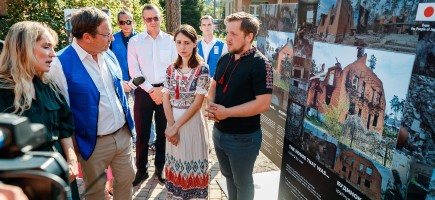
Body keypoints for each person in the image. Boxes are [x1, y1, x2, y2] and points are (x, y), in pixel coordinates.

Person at [49, 7, 136, 200]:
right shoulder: (60, 64)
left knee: (127, 179)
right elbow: (62, 112)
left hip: (122, 135)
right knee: (96, 193)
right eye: (106, 35)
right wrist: (73, 148)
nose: (112, 38)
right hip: (92, 144)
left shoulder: (108, 54)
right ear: (87, 37)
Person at [0, 21, 80, 200]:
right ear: (23, 49)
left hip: (58, 170)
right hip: (22, 182)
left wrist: (72, 160)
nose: (53, 54)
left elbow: (64, 125)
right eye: (46, 47)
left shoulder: (47, 84)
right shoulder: (2, 91)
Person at [205, 12, 273, 200]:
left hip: (244, 139)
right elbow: (213, 85)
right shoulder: (225, 58)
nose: (227, 38)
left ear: (249, 36)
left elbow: (264, 104)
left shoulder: (261, 64)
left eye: (233, 34)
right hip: (219, 134)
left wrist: (227, 112)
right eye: (227, 33)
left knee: (242, 183)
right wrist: (211, 105)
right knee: (228, 177)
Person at [128, 4, 177, 186]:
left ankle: (160, 167)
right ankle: (141, 170)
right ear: (143, 20)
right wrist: (151, 90)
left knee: (164, 131)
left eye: (156, 18)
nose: (153, 21)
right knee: (142, 133)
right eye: (149, 18)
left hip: (165, 91)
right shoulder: (135, 42)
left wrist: (162, 90)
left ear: (161, 18)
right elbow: (134, 70)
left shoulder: (170, 41)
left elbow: (175, 67)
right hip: (143, 92)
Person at [162, 24, 210, 199]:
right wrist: (171, 126)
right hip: (172, 120)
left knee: (191, 160)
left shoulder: (202, 69)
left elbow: (198, 103)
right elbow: (166, 98)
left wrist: (175, 127)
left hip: (191, 123)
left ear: (195, 43)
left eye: (187, 43)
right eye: (179, 42)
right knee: (177, 164)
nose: (182, 47)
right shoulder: (170, 68)